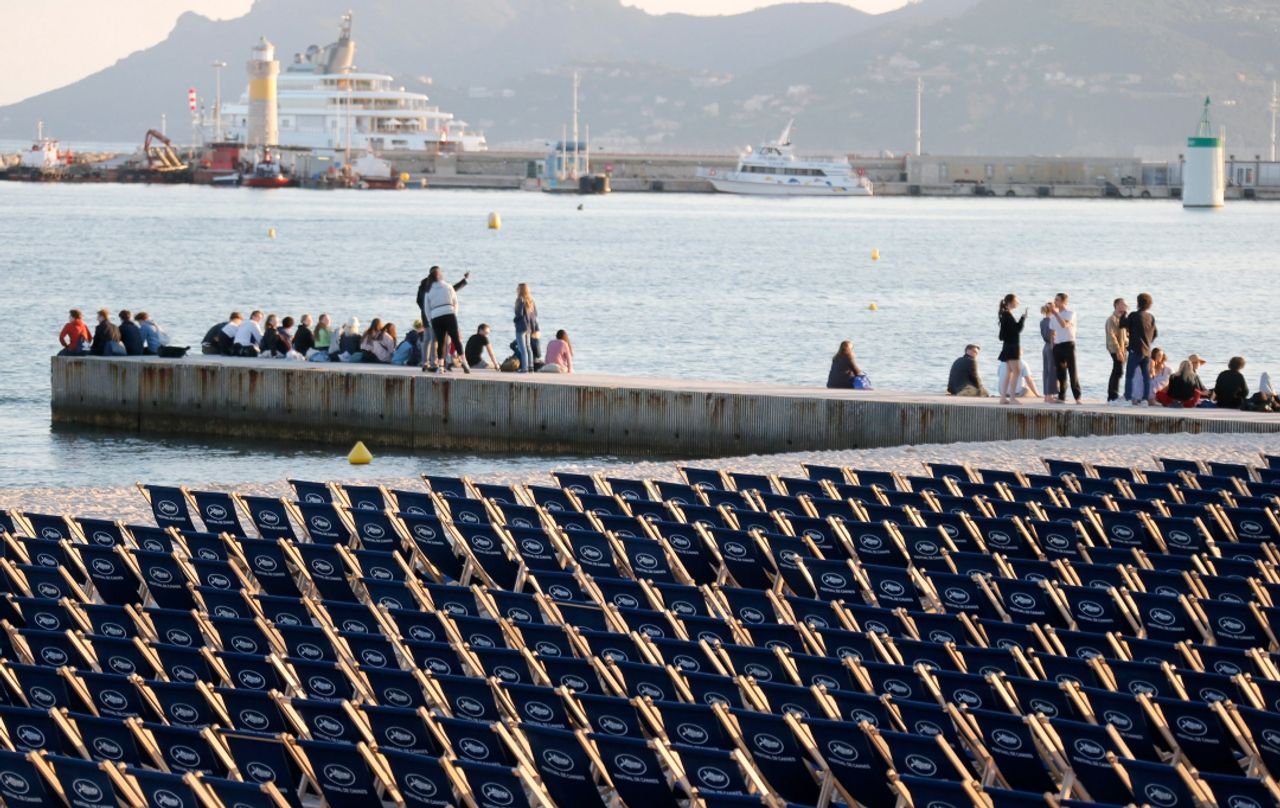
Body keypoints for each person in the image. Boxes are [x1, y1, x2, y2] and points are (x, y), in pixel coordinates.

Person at [423, 266, 472, 373]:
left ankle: (440, 366)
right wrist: (454, 314)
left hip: (436, 316)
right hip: (449, 313)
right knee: (456, 339)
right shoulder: (448, 286)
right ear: (440, 276)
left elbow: (427, 308)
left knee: (440, 342)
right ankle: (464, 362)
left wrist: (430, 321)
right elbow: (455, 302)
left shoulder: (428, 290)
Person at [1123, 293, 1157, 405]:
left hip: (1135, 351)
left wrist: (1124, 313)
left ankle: (1128, 398)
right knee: (1146, 377)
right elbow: (1155, 333)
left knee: (1129, 376)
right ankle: (1145, 399)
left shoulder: (1134, 315)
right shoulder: (1151, 317)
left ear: (1138, 303)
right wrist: (1148, 342)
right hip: (1147, 351)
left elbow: (1122, 324)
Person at [1049, 293, 1081, 404]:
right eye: (1055, 299)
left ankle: (1077, 397)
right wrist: (1052, 346)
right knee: (1060, 373)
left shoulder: (1070, 313)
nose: (1055, 302)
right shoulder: (1052, 316)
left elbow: (1064, 325)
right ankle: (1061, 397)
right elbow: (1052, 332)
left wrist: (1056, 314)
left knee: (1072, 371)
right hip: (1058, 346)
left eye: (1057, 300)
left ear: (1063, 302)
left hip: (1068, 344)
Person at [996, 293, 1026, 405]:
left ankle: (1003, 397)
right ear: (1010, 302)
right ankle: (1012, 397)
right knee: (1016, 371)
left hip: (1007, 346)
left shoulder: (1005, 315)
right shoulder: (1007, 315)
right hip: (1012, 347)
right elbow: (1017, 330)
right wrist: (1023, 319)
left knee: (1009, 373)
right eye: (1016, 301)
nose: (1017, 303)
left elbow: (1002, 335)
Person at [1104, 297, 1128, 404]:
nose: (1125, 306)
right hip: (1114, 348)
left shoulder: (1122, 318)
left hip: (1122, 348)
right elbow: (1112, 335)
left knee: (1118, 371)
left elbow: (1125, 335)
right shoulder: (1112, 319)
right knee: (1117, 370)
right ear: (1117, 305)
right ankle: (1112, 396)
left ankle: (1113, 395)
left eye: (1125, 305)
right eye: (1123, 304)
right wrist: (1118, 351)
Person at [514, 284, 539, 373]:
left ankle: (524, 368)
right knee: (528, 347)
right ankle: (531, 367)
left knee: (522, 348)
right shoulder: (531, 301)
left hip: (521, 327)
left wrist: (515, 320)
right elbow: (535, 315)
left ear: (520, 290)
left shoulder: (520, 300)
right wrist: (535, 328)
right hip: (529, 327)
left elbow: (519, 314)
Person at [1039, 303, 1057, 403]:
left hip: (1045, 347)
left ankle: (1047, 395)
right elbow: (1053, 335)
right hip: (1052, 346)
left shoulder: (1042, 321)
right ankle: (1050, 395)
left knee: (1046, 371)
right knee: (1052, 371)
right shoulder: (1052, 321)